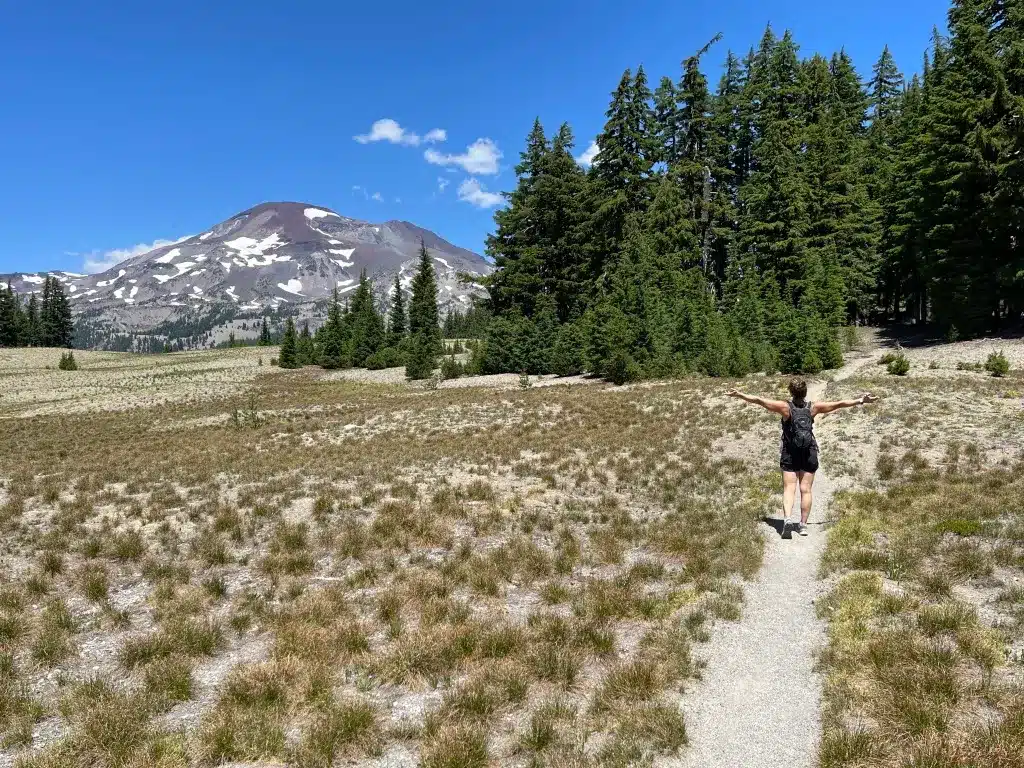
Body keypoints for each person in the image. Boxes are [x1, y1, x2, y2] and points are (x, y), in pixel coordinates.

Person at [726, 379, 878, 536]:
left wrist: (740, 395)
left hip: (790, 452)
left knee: (789, 489)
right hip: (808, 452)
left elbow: (760, 401)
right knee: (806, 490)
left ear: (791, 392)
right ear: (805, 392)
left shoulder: (785, 407)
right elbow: (839, 404)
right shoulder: (814, 407)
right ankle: (803, 525)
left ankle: (787, 520)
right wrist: (861, 400)